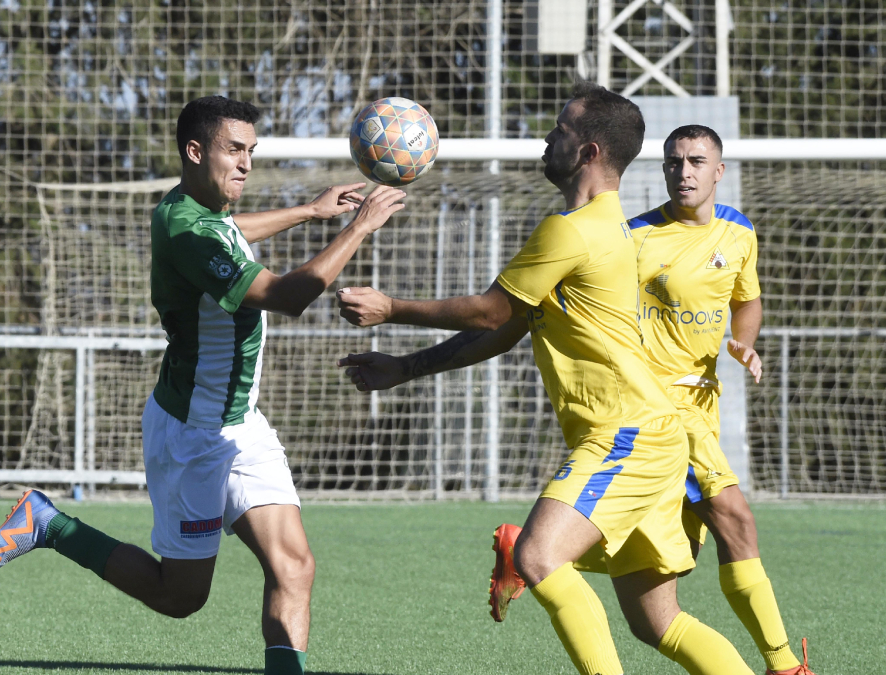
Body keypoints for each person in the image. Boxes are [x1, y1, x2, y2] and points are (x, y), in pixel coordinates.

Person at [0, 96, 406, 675]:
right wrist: (361, 226)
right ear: (195, 152)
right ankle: (50, 524)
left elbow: (230, 230)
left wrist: (309, 211)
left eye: (252, 151)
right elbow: (287, 296)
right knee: (181, 597)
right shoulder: (189, 233)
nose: (247, 163)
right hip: (192, 435)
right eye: (235, 149)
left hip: (241, 426)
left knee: (294, 565)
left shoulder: (190, 212)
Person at [335, 82, 751, 675]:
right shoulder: (602, 226)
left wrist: (389, 306)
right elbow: (505, 331)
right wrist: (406, 367)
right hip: (655, 437)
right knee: (657, 622)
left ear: (588, 153)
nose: (546, 139)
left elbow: (489, 312)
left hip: (625, 434)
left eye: (559, 130)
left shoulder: (572, 230)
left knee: (536, 555)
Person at [627, 124, 814, 675]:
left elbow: (747, 301)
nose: (683, 171)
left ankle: (530, 549)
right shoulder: (634, 237)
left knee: (661, 583)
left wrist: (744, 344)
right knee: (736, 518)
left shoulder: (738, 232)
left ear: (718, 171)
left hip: (703, 406)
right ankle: (785, 667)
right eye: (673, 161)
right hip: (656, 408)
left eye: (695, 161)